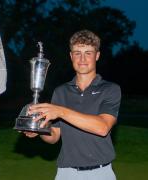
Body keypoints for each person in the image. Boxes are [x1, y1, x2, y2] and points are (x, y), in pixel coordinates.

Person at [24, 29, 121, 180]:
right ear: (71, 56)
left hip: (101, 173)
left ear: (97, 56)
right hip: (66, 173)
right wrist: (40, 129)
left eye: (88, 53)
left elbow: (102, 127)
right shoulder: (61, 92)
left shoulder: (110, 89)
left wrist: (60, 111)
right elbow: (54, 136)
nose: (82, 58)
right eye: (77, 53)